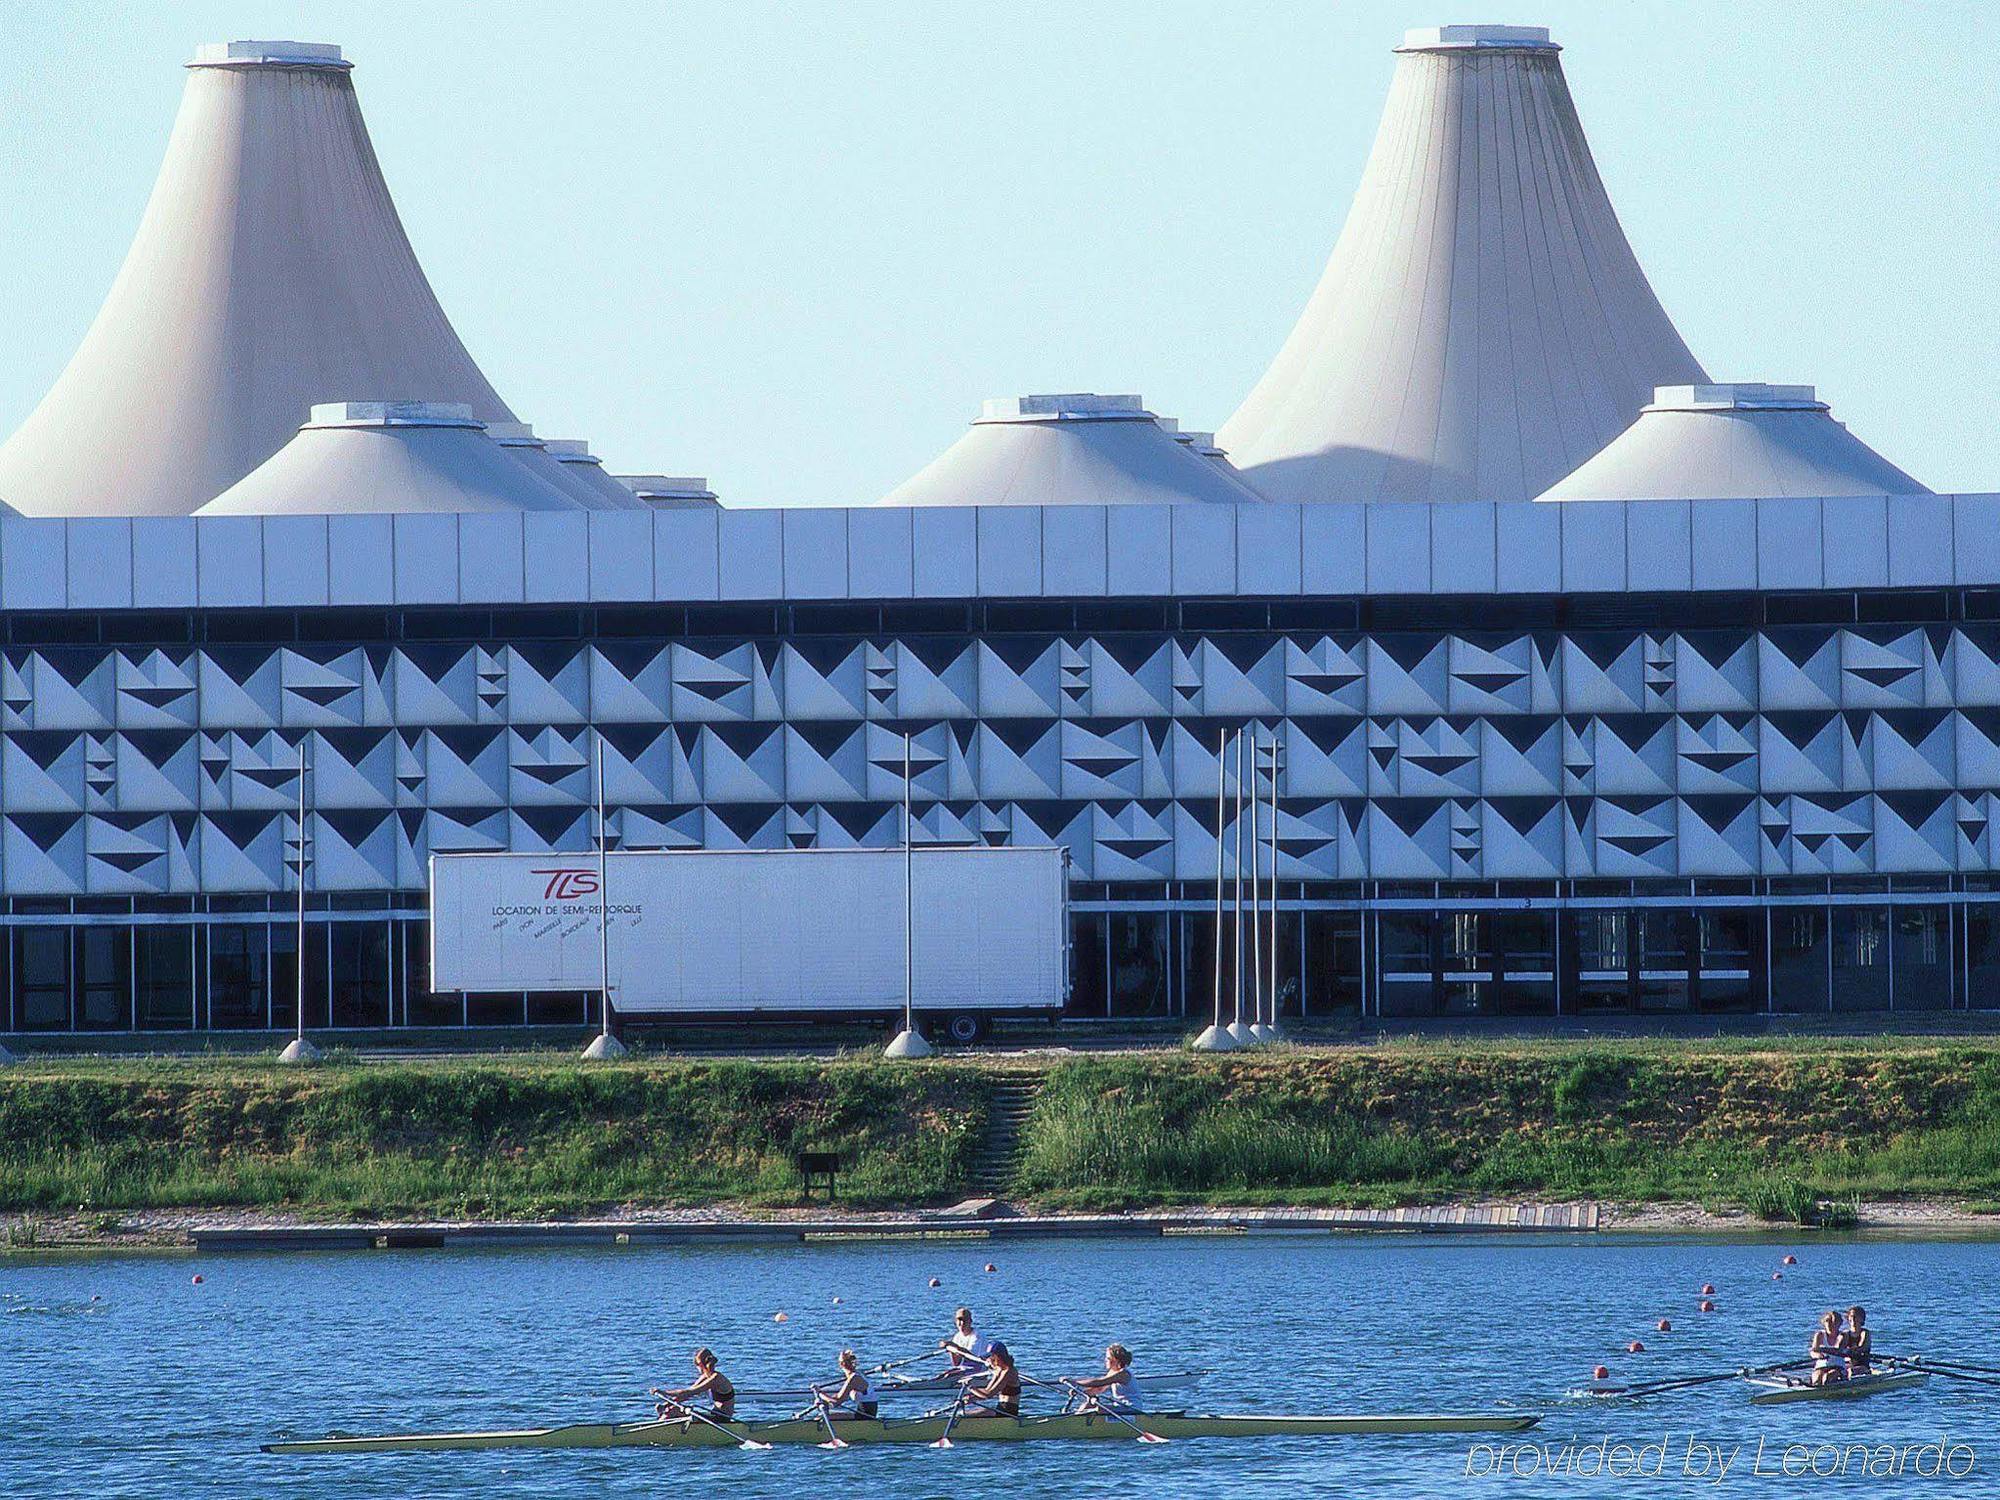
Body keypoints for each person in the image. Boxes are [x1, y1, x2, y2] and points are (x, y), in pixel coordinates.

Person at [653, 1347, 737, 1420]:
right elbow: (687, 1393)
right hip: (714, 1414)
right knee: (672, 1409)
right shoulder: (706, 1376)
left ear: (700, 1365)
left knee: (673, 1411)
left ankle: (652, 1434)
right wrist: (667, 1404)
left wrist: (664, 1392)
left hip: (722, 1418)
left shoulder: (716, 1379)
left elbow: (690, 1392)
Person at [1070, 1344, 1141, 1411]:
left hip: (1131, 1408)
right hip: (1120, 1406)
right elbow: (1099, 1388)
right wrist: (1079, 1392)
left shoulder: (1123, 1374)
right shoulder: (1112, 1372)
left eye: (1108, 1358)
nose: (1105, 1360)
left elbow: (1099, 1382)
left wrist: (1075, 1382)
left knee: (1099, 1409)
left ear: (1116, 1360)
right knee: (1087, 1405)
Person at [961, 1341, 1023, 1418]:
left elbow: (989, 1394)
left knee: (967, 1415)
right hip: (1000, 1408)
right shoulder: (998, 1370)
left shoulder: (1008, 1372)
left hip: (1009, 1411)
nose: (988, 1360)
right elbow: (987, 1390)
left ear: (997, 1357)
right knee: (965, 1413)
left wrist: (970, 1387)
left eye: (990, 1357)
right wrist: (973, 1397)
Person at [820, 1348, 878, 1421]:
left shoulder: (854, 1379)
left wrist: (820, 1394)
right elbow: (838, 1397)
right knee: (823, 1415)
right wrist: (825, 1400)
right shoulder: (858, 1374)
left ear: (841, 1364)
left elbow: (837, 1402)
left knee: (823, 1417)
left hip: (866, 1417)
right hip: (862, 1414)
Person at [940, 1306, 995, 1374]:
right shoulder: (957, 1336)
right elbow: (956, 1363)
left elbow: (970, 1356)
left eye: (965, 1320)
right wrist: (951, 1351)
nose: (962, 1323)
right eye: (959, 1319)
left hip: (978, 1370)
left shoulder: (978, 1335)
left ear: (970, 1321)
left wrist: (952, 1345)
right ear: (955, 1321)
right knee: (944, 1375)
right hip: (964, 1369)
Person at [1808, 1311, 1848, 1387]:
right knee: (1817, 1379)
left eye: (1833, 1322)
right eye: (1827, 1321)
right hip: (1821, 1365)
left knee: (1827, 1378)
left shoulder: (1843, 1335)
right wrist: (1817, 1355)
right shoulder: (1819, 1335)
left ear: (1839, 1324)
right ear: (1824, 1323)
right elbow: (1813, 1352)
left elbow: (1838, 1349)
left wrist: (1823, 1350)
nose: (1830, 1325)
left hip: (1838, 1366)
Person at [1842, 1306, 1873, 1378]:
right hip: (1848, 1364)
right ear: (1848, 1318)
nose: (1853, 1319)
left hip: (1862, 1365)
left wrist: (1848, 1351)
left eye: (1856, 1317)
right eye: (1851, 1316)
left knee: (1850, 1371)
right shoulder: (1845, 1334)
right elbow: (1840, 1348)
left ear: (1862, 1319)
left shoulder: (1865, 1333)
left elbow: (1861, 1348)